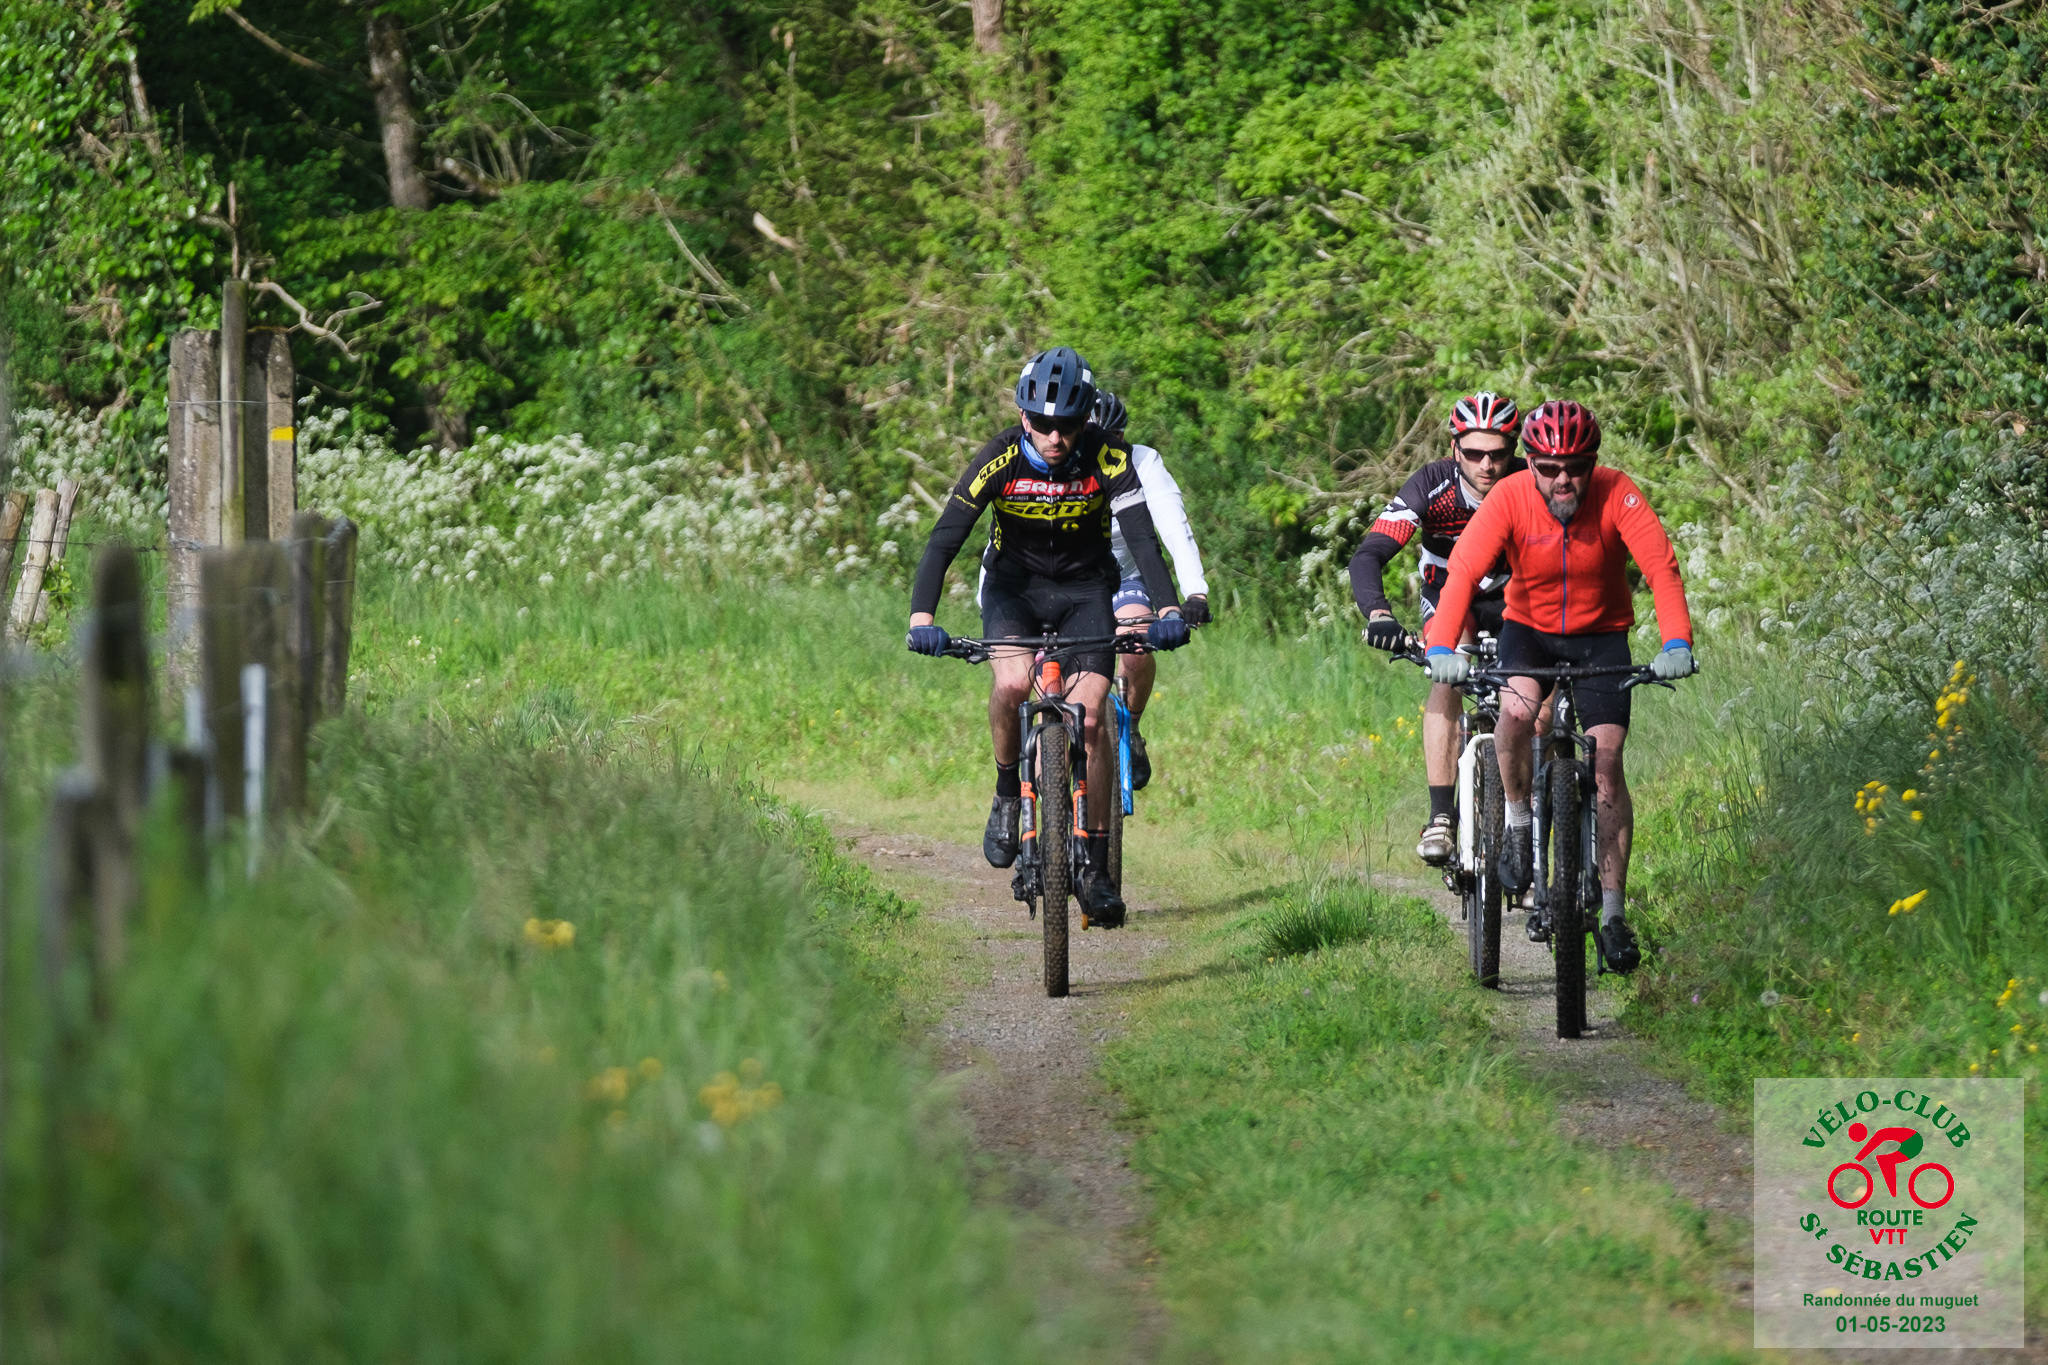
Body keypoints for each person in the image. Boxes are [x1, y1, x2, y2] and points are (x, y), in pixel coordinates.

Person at [905, 347, 1191, 928]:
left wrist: (1167, 608)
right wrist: (921, 620)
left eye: (1067, 424)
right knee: (1012, 683)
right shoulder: (1000, 457)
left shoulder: (1108, 457)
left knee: (1091, 718)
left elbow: (1142, 538)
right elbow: (945, 538)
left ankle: (1096, 870)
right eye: (1041, 422)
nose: (1055, 436)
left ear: (1085, 419)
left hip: (1086, 592)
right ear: (1022, 415)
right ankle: (1007, 793)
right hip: (1015, 590)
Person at [1420, 400, 1695, 974]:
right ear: (1532, 463)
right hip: (1530, 633)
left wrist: (1676, 642)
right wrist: (1442, 647)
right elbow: (1464, 570)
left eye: (1576, 467)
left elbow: (1660, 567)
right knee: (1517, 715)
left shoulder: (1617, 493)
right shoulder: (1511, 496)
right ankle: (1520, 824)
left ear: (1593, 463)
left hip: (1602, 637)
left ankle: (1614, 914)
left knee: (1608, 762)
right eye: (1548, 468)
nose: (1562, 479)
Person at [1349, 391, 1526, 865]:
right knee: (1448, 671)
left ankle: (1533, 810)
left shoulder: (1531, 482)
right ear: (1454, 449)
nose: (1487, 465)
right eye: (1474, 452)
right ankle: (1441, 815)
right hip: (1451, 598)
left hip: (1517, 600)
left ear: (1513, 450)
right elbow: (1369, 554)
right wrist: (1379, 614)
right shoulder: (1431, 485)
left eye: (1498, 453)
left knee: (1535, 691)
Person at [1092, 390, 1211, 790]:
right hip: (1072, 581)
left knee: (1136, 648)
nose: (1109, 449)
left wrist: (1194, 593)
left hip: (1125, 578)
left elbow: (1174, 527)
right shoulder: (1063, 466)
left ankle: (1131, 726)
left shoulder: (1142, 462)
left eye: (1116, 439)